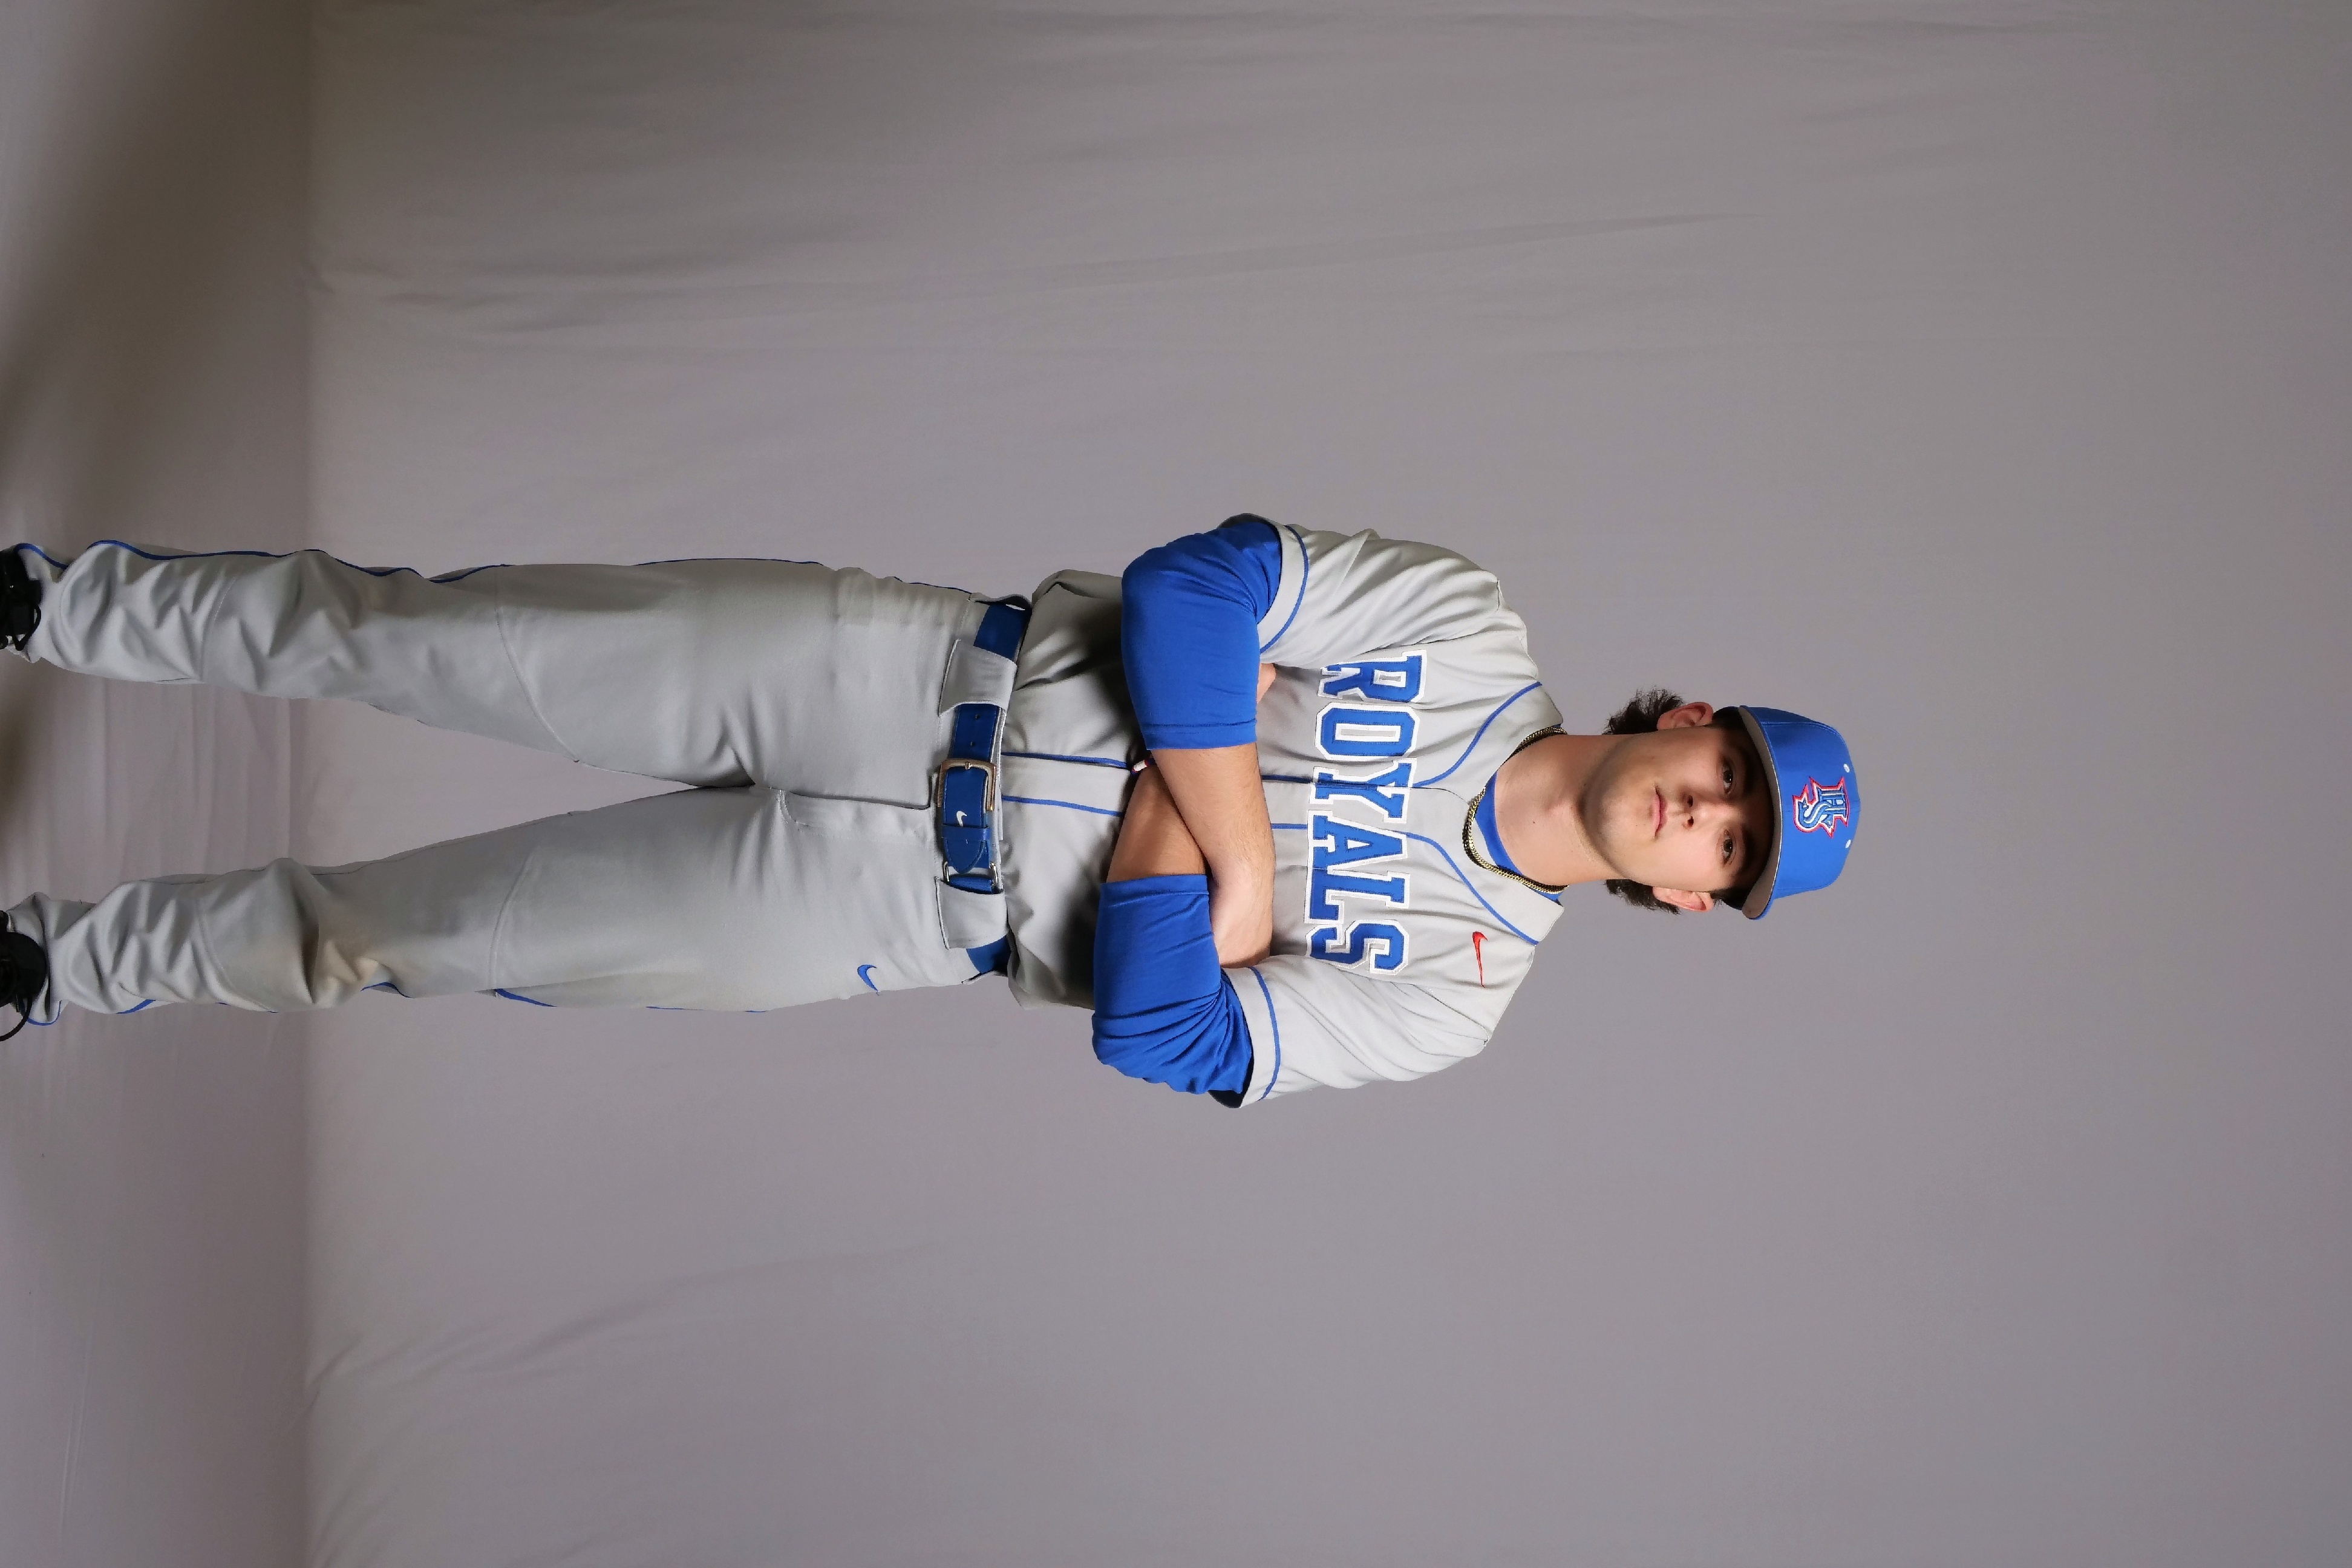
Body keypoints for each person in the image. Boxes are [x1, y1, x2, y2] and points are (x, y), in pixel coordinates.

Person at [0, 516, 1858, 1105]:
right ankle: (47, 602)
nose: (1704, 815)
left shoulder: (1459, 993)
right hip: (891, 670)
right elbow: (1194, 588)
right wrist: (1236, 860)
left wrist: (1200, 769)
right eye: (1730, 778)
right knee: (407, 636)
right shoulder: (1466, 626)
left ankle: (52, 966)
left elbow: (1160, 1031)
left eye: (1733, 844)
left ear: (1701, 899)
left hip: (880, 910)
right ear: (1694, 717)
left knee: (395, 942)